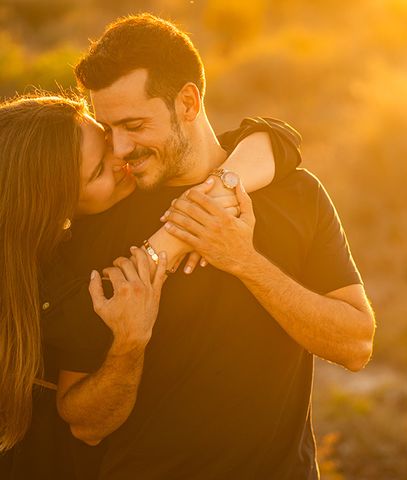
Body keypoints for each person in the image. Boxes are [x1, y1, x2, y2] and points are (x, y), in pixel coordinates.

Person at [56, 13, 376, 479]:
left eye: (134, 125)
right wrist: (129, 342)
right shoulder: (100, 224)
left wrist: (244, 261)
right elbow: (84, 425)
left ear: (187, 101)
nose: (120, 149)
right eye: (110, 130)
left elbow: (356, 344)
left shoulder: (293, 192)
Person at [0, 93, 304, 479]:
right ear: (56, 208)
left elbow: (276, 139)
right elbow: (100, 303)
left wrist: (212, 195)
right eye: (98, 172)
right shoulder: (57, 283)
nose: (121, 160)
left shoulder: (116, 203)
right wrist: (183, 232)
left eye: (107, 139)